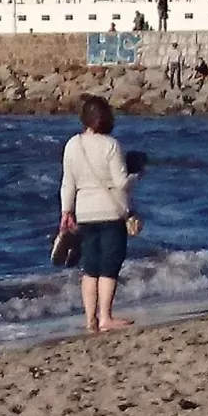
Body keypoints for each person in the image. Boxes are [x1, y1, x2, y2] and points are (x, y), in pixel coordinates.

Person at [60, 94, 139, 332]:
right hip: (111, 212)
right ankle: (105, 316)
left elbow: (68, 182)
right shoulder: (111, 145)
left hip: (84, 212)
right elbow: (121, 182)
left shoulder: (73, 144)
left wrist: (66, 210)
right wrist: (137, 176)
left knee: (90, 266)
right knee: (110, 264)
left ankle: (89, 319)